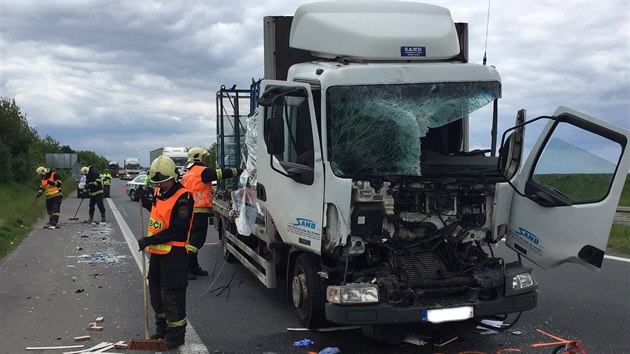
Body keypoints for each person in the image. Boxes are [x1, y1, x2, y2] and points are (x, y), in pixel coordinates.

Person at [137, 156, 193, 350]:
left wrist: (149, 240)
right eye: (157, 183)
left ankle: (176, 336)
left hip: (174, 255)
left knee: (171, 297)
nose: (160, 186)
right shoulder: (161, 192)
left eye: (163, 182)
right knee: (156, 294)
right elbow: (158, 214)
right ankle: (162, 330)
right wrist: (144, 200)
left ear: (173, 177)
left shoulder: (184, 197)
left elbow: (177, 229)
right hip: (158, 254)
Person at [181, 147, 242, 280]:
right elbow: (221, 174)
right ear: (198, 157)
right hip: (199, 211)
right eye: (204, 157)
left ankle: (193, 267)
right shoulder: (203, 172)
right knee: (196, 242)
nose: (205, 159)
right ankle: (185, 269)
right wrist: (240, 171)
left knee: (191, 240)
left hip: (190, 211)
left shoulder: (188, 173)